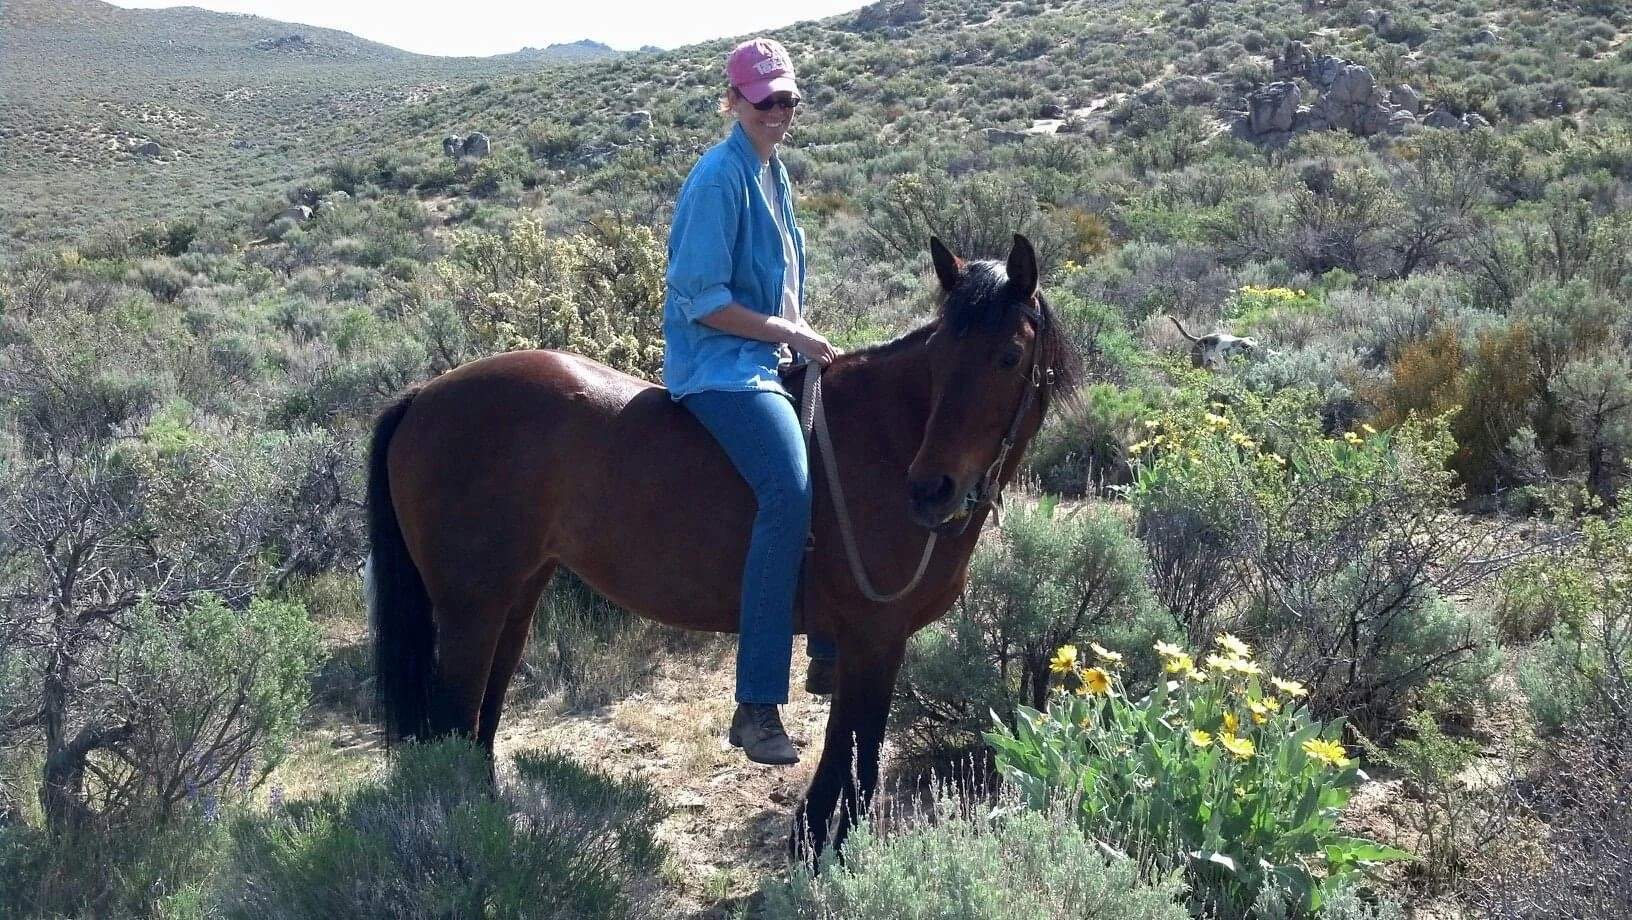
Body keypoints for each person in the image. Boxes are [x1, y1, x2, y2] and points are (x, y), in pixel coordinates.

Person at [662, 37, 838, 765]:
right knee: (788, 488)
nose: (778, 112)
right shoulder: (719, 179)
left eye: (788, 99)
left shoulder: (774, 170)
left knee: (842, 451)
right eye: (764, 101)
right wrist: (789, 332)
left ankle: (831, 644)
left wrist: (799, 340)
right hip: (720, 365)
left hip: (768, 354)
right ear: (733, 101)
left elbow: (784, 276)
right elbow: (703, 302)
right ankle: (757, 705)